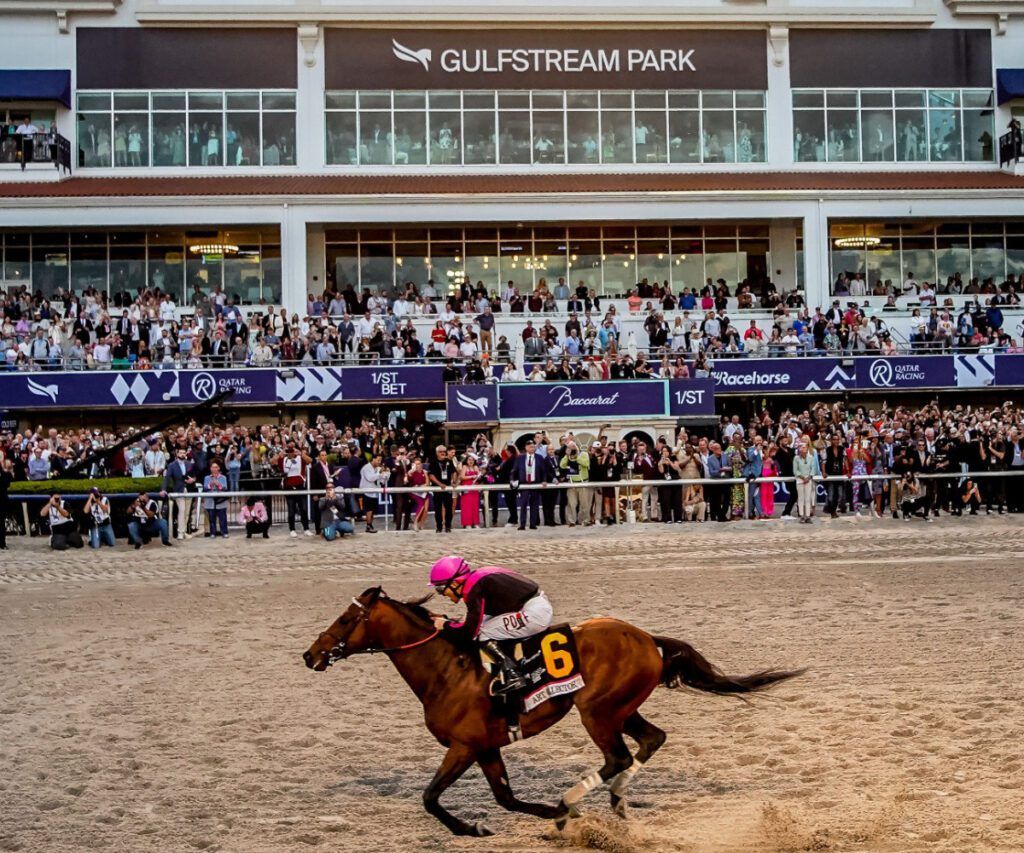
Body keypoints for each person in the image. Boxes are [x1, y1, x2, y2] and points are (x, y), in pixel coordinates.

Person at [428, 555, 553, 696]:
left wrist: (446, 625)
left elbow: (470, 631)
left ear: (455, 583)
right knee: (485, 626)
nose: (442, 594)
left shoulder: (473, 588)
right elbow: (474, 620)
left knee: (483, 632)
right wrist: (450, 622)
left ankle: (513, 674)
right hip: (532, 606)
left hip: (534, 613)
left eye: (440, 589)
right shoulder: (478, 579)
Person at [275, 442, 312, 537]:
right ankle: (292, 529)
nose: (291, 453)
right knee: (291, 510)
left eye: (292, 450)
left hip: (300, 486)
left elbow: (310, 461)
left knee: (303, 509)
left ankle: (306, 528)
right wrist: (281, 453)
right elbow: (272, 461)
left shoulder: (300, 458)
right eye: (289, 451)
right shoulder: (284, 460)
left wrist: (301, 453)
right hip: (288, 487)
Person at [514, 439, 548, 530]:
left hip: (535, 483)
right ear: (526, 448)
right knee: (523, 504)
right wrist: (512, 480)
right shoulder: (520, 458)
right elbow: (514, 470)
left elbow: (544, 471)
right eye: (530, 447)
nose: (532, 448)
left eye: (533, 446)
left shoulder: (539, 457)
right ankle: (522, 524)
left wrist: (544, 480)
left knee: (534, 505)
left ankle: (533, 523)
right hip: (524, 484)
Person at [428, 444, 456, 533]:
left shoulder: (449, 461)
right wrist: (439, 484)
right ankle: (439, 527)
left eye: (444, 451)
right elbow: (431, 475)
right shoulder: (433, 462)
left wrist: (453, 481)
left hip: (447, 488)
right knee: (438, 509)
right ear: (437, 453)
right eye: (440, 452)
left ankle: (448, 526)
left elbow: (454, 472)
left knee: (448, 508)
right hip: (437, 488)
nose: (443, 453)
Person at [793, 441, 819, 523]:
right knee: (801, 498)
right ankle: (801, 516)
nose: (803, 448)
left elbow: (813, 469)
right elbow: (795, 470)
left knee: (808, 498)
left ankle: (807, 516)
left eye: (805, 447)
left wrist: (808, 478)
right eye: (802, 447)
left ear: (807, 448)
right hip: (800, 480)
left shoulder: (811, 457)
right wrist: (802, 478)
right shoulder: (796, 458)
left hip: (808, 480)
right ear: (799, 449)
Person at [203, 460, 230, 538]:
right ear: (210, 468)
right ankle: (212, 533)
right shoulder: (207, 478)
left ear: (219, 468)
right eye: (212, 467)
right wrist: (210, 485)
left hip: (221, 501)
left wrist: (218, 484)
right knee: (211, 518)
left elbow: (225, 488)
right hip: (210, 501)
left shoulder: (223, 477)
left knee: (222, 518)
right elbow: (205, 488)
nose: (214, 469)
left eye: (216, 467)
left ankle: (224, 532)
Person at [458, 454, 481, 529]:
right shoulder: (464, 467)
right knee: (467, 507)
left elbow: (479, 476)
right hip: (466, 488)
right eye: (469, 460)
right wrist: (471, 476)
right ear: (466, 460)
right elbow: (462, 477)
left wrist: (480, 475)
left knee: (475, 506)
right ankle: (467, 524)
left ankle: (475, 523)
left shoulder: (475, 467)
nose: (471, 461)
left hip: (474, 489)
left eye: (472, 460)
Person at [0, 458, 12, 550]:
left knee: (1, 523)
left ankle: (2, 543)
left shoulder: (5, 474)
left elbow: (7, 484)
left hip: (2, 501)